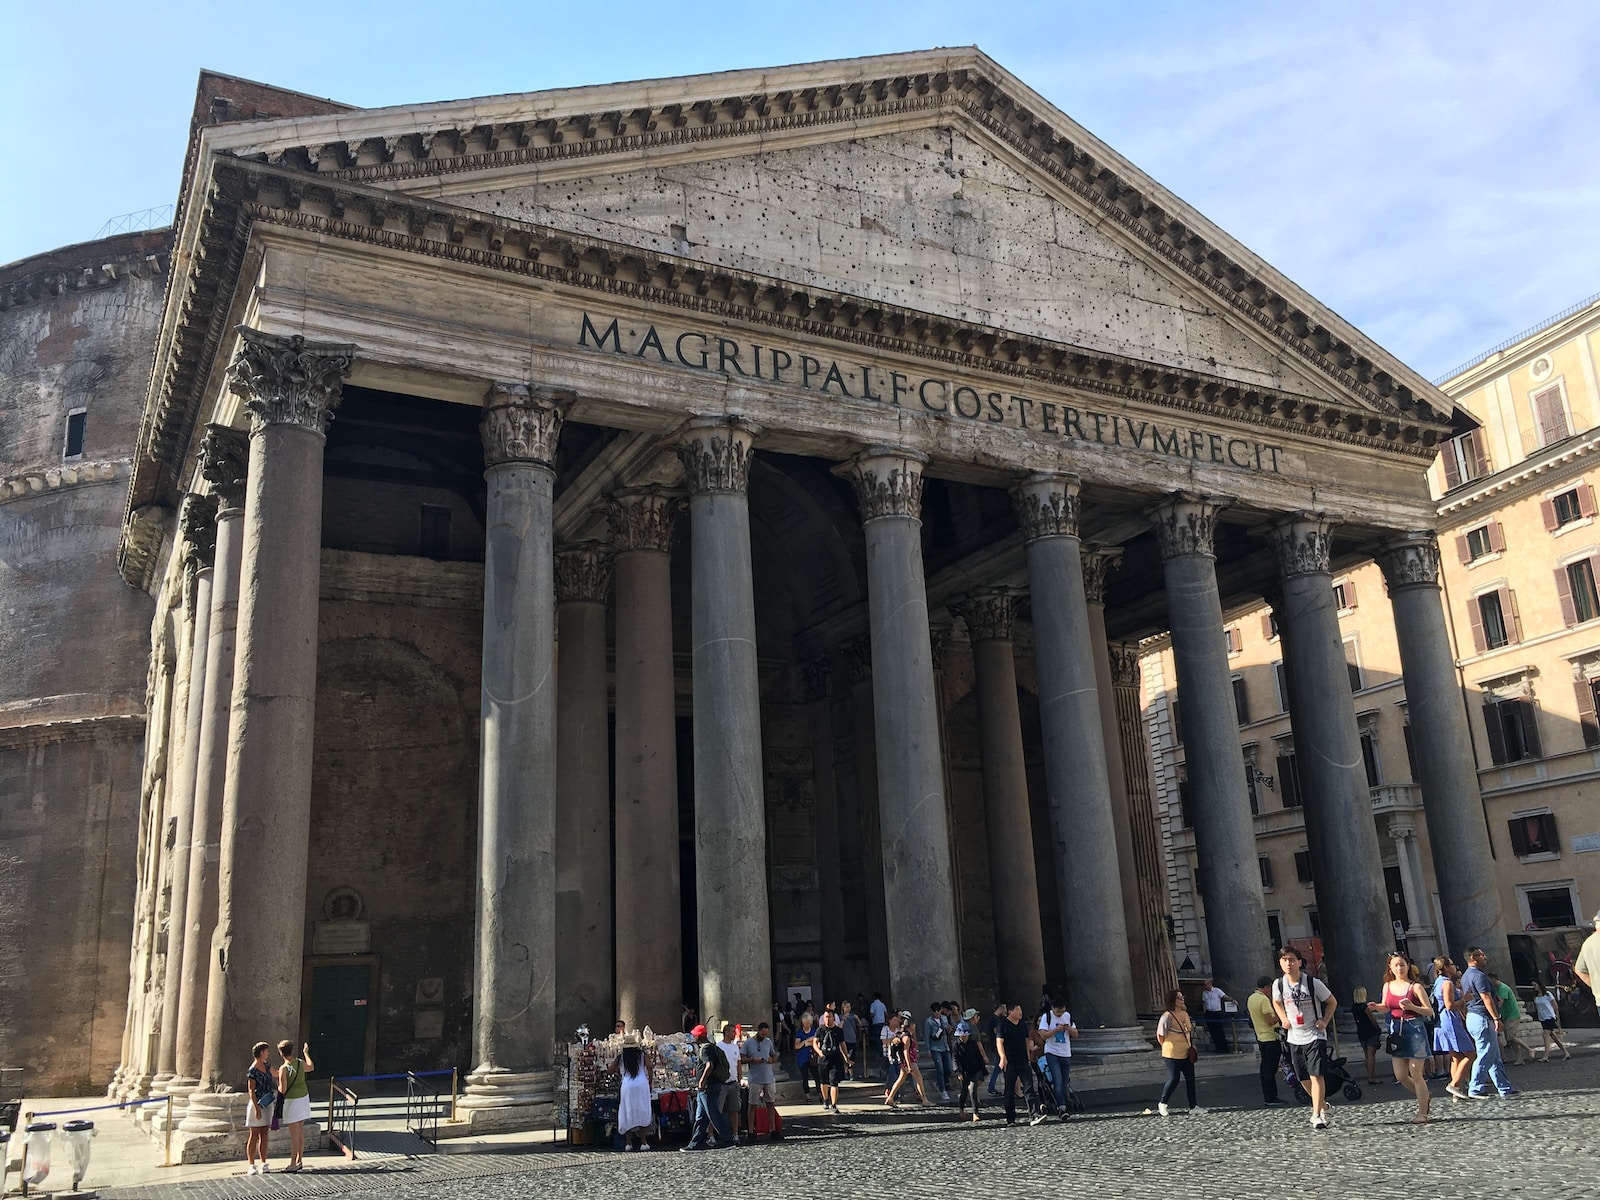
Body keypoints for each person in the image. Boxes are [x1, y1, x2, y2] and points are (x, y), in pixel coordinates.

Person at [1271, 945, 1337, 1130]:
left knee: (1316, 1075)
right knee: (1303, 1078)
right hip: (1294, 1036)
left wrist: (1324, 1021)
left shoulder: (1312, 982)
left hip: (1315, 1034)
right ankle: (1323, 1105)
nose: (1288, 964)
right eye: (1284, 960)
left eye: (1292, 960)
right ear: (1280, 963)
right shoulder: (1279, 984)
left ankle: (1316, 1115)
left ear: (1299, 962)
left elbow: (1331, 1001)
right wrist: (1283, 1018)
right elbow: (1276, 1002)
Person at [1367, 951, 1433, 1125]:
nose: (1399, 968)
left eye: (1402, 965)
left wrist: (1412, 1006)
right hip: (1396, 1030)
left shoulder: (1415, 987)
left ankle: (1423, 1112)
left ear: (1408, 966)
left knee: (1416, 1073)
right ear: (1390, 967)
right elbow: (1386, 1007)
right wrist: (1377, 1007)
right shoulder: (1387, 986)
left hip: (1414, 1028)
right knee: (1401, 1075)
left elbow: (1429, 1011)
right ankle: (1425, 1096)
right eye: (1395, 965)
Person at [1459, 947, 1516, 1098]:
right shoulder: (1479, 976)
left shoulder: (1465, 976)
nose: (1485, 957)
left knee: (1494, 1055)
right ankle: (1475, 1087)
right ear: (1473, 957)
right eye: (1482, 955)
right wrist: (1496, 1018)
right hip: (1482, 1017)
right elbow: (1486, 998)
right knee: (1485, 1053)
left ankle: (1504, 1087)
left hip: (1473, 1016)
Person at [681, 1024, 735, 1151]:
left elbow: (709, 1065)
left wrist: (702, 1081)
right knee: (701, 1117)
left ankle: (728, 1140)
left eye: (694, 1035)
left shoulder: (706, 1049)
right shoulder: (710, 1047)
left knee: (713, 1114)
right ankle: (695, 1143)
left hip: (708, 1086)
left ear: (698, 1037)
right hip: (706, 1087)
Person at [1429, 957, 1475, 1099]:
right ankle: (1454, 1084)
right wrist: (1464, 999)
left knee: (1456, 1056)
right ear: (1446, 967)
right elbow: (1450, 1005)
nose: (1455, 967)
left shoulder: (1437, 982)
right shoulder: (1447, 983)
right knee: (1470, 1054)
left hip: (1442, 1021)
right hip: (1450, 1021)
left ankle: (1457, 1091)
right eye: (1452, 964)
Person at [995, 1003, 1046, 1126]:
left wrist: (1029, 1057)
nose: (1020, 1012)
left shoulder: (1022, 1024)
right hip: (1010, 1062)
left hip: (1023, 1061)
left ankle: (1034, 1114)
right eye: (1018, 1010)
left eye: (1020, 1010)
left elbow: (1026, 1040)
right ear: (1010, 1012)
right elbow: (999, 1042)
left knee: (1029, 1088)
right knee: (1009, 1091)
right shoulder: (1003, 1025)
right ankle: (1010, 1119)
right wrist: (1002, 1057)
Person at [1155, 989, 1199, 1116]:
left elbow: (1188, 1031)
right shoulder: (1167, 1016)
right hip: (1172, 1053)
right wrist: (1169, 1045)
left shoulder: (1184, 1014)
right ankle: (1163, 1103)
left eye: (1182, 997)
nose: (1182, 999)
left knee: (1191, 1079)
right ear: (1173, 1001)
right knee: (1174, 1078)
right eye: (1179, 998)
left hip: (1186, 1050)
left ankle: (1193, 1106)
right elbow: (1160, 1035)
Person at [275, 1040, 316, 1172]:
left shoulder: (283, 1068)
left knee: (294, 1135)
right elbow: (311, 1067)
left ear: (281, 1053)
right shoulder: (299, 1062)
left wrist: (277, 1083)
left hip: (292, 1101)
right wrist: (306, 1053)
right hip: (303, 1098)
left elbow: (283, 1088)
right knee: (300, 1132)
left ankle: (293, 1163)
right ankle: (299, 1160)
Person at [1036, 998, 1076, 1119]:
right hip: (1052, 1052)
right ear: (1053, 1008)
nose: (1060, 1014)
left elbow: (1076, 1034)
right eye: (1058, 1012)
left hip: (1066, 1052)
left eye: (1062, 1011)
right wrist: (1056, 1030)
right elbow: (1043, 1035)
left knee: (1064, 1081)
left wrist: (1068, 1029)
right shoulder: (1046, 1017)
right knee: (1057, 1080)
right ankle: (1062, 1108)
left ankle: (1064, 1102)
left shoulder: (1067, 1016)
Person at [1246, 976, 1283, 1106]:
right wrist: (1280, 1016)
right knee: (1270, 1069)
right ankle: (1271, 1096)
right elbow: (1269, 1021)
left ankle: (1268, 1095)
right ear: (1266, 987)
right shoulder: (1264, 1000)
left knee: (1265, 1068)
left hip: (1260, 1036)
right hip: (1270, 1037)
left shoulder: (1251, 998)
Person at [616, 1039, 655, 1151]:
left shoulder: (621, 1057)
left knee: (627, 1111)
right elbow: (650, 1067)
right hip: (641, 1084)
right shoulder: (642, 1055)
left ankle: (628, 1143)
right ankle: (643, 1142)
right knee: (642, 1110)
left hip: (627, 1085)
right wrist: (650, 1082)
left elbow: (610, 1070)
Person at [742, 1022, 780, 1135]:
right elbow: (742, 1059)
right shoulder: (748, 1043)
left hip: (768, 1077)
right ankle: (750, 1130)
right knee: (752, 1104)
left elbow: (774, 1054)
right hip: (755, 1078)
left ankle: (772, 1129)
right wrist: (753, 1059)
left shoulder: (768, 1042)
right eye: (762, 1034)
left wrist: (772, 1060)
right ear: (758, 1031)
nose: (764, 1036)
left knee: (770, 1103)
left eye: (765, 1034)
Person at [244, 1041, 276, 1174]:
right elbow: (251, 1090)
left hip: (267, 1102)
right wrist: (256, 1108)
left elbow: (277, 1073)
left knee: (264, 1133)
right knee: (254, 1134)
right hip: (257, 1103)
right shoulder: (253, 1070)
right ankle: (251, 1164)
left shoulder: (267, 1066)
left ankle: (263, 1162)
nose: (268, 1053)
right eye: (266, 1051)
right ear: (261, 1052)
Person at [1489, 972, 1534, 1066]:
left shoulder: (1502, 988)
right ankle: (1519, 1058)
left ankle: (1529, 1049)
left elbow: (1500, 1003)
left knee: (1511, 1037)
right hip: (1507, 1015)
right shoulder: (1497, 988)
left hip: (1512, 1015)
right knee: (1510, 1040)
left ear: (1494, 979)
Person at [888, 1010, 930, 1107]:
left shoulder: (904, 1035)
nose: (914, 1026)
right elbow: (905, 1051)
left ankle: (890, 1098)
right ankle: (924, 1099)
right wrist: (909, 1064)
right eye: (913, 1024)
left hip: (906, 1062)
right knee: (919, 1079)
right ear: (910, 1026)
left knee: (900, 1080)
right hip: (910, 1061)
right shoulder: (906, 1037)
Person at [814, 1008, 851, 1112]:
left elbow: (842, 1045)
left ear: (833, 1018)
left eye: (829, 1017)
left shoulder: (838, 1031)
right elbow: (815, 1042)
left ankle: (834, 1104)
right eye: (825, 1017)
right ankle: (825, 1099)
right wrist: (819, 1052)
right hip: (823, 1059)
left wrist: (846, 1058)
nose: (827, 1019)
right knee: (824, 1082)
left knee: (834, 1082)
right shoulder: (820, 1030)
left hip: (835, 1059)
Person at [952, 1021, 987, 1123]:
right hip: (963, 1072)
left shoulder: (973, 1043)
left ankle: (975, 1113)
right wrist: (958, 1072)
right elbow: (955, 1059)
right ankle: (961, 1109)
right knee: (964, 1092)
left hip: (974, 1070)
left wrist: (983, 1069)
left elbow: (978, 1056)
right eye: (962, 1035)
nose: (964, 1037)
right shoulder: (956, 1045)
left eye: (965, 1035)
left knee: (973, 1090)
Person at [1530, 980, 1571, 1061]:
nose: (1534, 987)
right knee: (1553, 1036)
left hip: (1550, 1017)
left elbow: (1555, 1006)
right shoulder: (1536, 997)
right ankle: (1566, 1053)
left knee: (1545, 1035)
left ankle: (1546, 1056)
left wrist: (1557, 1016)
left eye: (1535, 985)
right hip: (1542, 1018)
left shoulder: (1548, 994)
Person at [716, 1022, 745, 1136]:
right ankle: (712, 1134)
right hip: (722, 1083)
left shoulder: (735, 1047)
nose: (734, 1034)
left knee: (735, 1109)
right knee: (718, 1109)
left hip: (734, 1083)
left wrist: (739, 1078)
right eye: (733, 1031)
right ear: (726, 1032)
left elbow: (738, 1064)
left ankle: (735, 1133)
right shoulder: (718, 1047)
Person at [1350, 987, 1383, 1084]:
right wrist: (1378, 1029)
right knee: (1371, 1056)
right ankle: (1372, 1077)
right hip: (1370, 1032)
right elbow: (1373, 1020)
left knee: (1367, 1056)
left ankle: (1370, 1075)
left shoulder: (1354, 1007)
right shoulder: (1365, 1008)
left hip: (1361, 1031)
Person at [924, 1003, 953, 1101]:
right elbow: (927, 1036)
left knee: (948, 1068)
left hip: (945, 1046)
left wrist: (948, 1030)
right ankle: (942, 1089)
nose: (937, 1013)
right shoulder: (929, 1021)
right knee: (940, 1069)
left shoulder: (944, 1018)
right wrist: (928, 1049)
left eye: (938, 1011)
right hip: (935, 1048)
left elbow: (947, 1029)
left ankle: (941, 1083)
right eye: (935, 1011)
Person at [1199, 979, 1233, 1054]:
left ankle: (1224, 1047)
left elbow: (1224, 997)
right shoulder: (1204, 993)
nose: (1205, 986)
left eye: (1206, 984)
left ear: (1210, 984)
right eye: (1204, 985)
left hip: (1216, 1012)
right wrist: (1204, 1012)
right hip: (1209, 1012)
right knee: (1212, 1031)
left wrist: (1232, 1000)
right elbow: (1204, 1003)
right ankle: (1218, 1047)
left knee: (1219, 1031)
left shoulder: (1217, 991)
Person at [794, 1010, 819, 1102]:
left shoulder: (814, 1031)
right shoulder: (800, 1033)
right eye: (805, 1024)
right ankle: (808, 1096)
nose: (807, 1025)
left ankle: (821, 1094)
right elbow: (797, 1046)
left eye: (808, 1023)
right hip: (802, 1058)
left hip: (813, 1057)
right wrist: (806, 1041)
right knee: (805, 1077)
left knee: (816, 1076)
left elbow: (818, 1042)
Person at [983, 1003, 1006, 1096]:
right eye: (1004, 1012)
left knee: (1001, 1067)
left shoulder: (994, 1019)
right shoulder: (995, 1020)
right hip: (997, 1047)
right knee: (998, 1067)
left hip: (995, 1046)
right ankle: (991, 1088)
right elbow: (997, 1032)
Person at [840, 1000, 861, 1080]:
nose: (848, 1008)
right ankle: (849, 1073)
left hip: (853, 1039)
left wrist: (857, 1018)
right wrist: (843, 1019)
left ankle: (847, 1072)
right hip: (845, 1039)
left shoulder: (853, 1016)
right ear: (843, 1008)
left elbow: (860, 1025)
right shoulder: (840, 1017)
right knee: (846, 1056)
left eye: (849, 1007)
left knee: (851, 1057)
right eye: (847, 1007)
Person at [869, 992, 889, 1077]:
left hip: (876, 1023)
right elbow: (886, 1013)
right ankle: (883, 1051)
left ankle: (880, 1052)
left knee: (877, 1038)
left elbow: (872, 1014)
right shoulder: (883, 1004)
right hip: (882, 1022)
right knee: (883, 1037)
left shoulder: (873, 1004)